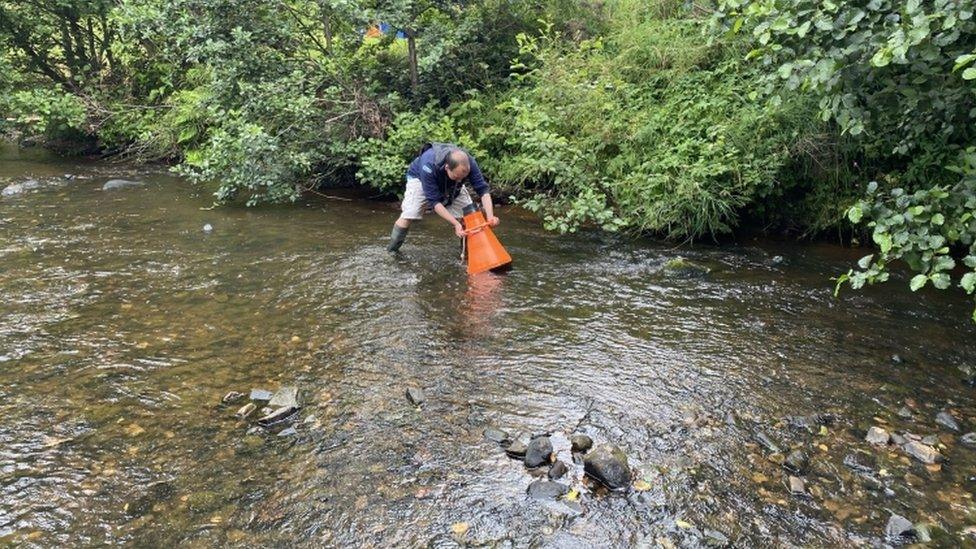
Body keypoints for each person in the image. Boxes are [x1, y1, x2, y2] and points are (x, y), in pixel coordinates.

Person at [387, 142, 499, 252]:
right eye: (457, 177)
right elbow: (434, 201)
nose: (460, 180)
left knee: (470, 215)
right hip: (420, 179)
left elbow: (483, 190)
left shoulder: (468, 163)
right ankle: (392, 251)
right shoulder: (428, 164)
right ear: (447, 167)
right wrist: (455, 224)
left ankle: (468, 254)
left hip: (450, 183)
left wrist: (490, 217)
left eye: (463, 178)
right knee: (410, 213)